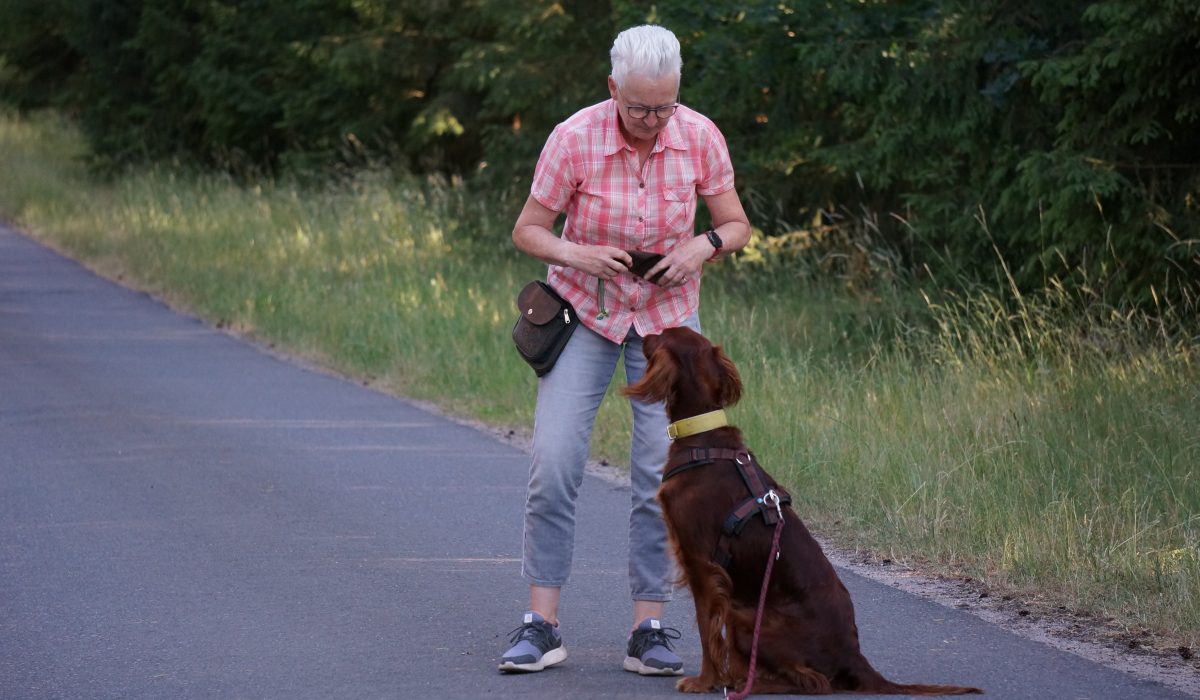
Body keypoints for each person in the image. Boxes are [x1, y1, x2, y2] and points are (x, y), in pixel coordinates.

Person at [499, 24, 750, 676]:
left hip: (667, 325)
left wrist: (703, 246)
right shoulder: (574, 137)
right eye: (639, 106)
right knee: (554, 462)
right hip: (585, 313)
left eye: (663, 106)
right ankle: (541, 624)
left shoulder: (699, 136)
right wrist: (578, 254)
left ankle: (649, 630)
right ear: (613, 88)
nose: (651, 119)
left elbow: (735, 223)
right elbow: (528, 229)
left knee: (660, 477)